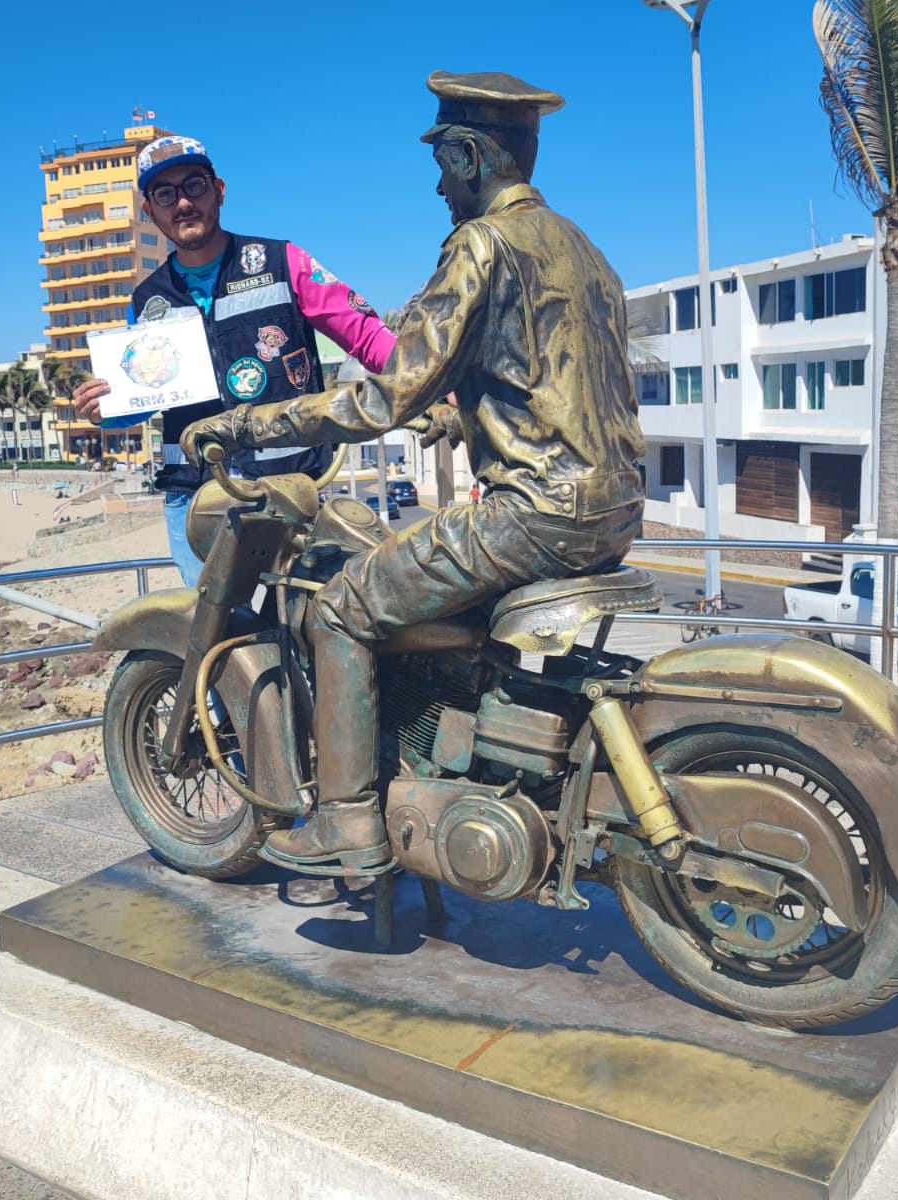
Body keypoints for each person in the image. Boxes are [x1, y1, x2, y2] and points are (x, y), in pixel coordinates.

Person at [181, 72, 645, 873]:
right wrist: (457, 409)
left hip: (531, 514)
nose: (437, 184)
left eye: (442, 161)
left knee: (339, 608)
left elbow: (387, 390)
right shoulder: (583, 249)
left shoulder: (482, 243)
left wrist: (252, 422)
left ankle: (349, 821)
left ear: (469, 154)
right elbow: (553, 385)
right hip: (612, 509)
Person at [71, 134, 397, 588]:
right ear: (150, 211)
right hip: (195, 499)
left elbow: (365, 334)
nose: (182, 203)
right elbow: (144, 396)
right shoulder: (147, 300)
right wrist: (104, 409)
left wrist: (435, 379)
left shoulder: (284, 262)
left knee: (310, 625)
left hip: (290, 489)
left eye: (194, 186)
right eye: (165, 194)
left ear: (219, 190)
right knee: (219, 640)